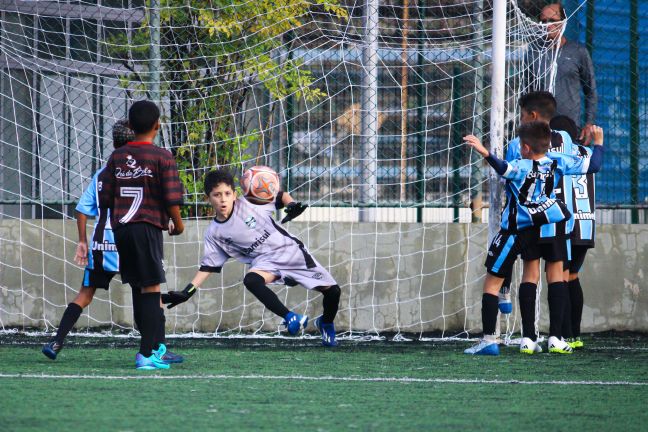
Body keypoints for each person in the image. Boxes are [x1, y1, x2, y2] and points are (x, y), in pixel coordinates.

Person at [42, 121, 182, 363]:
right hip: (131, 238)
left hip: (101, 243)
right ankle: (157, 348)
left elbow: (82, 209)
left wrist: (83, 241)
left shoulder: (102, 173)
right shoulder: (139, 170)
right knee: (149, 292)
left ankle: (57, 341)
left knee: (85, 294)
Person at [463, 120, 604, 356]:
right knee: (556, 275)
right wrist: (598, 144)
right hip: (553, 222)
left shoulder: (520, 166)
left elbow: (501, 168)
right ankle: (556, 338)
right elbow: (595, 165)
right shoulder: (559, 162)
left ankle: (496, 339)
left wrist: (484, 151)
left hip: (519, 228)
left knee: (495, 280)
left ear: (526, 148)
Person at [161, 169, 341, 347]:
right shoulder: (214, 233)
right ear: (208, 199)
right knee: (251, 280)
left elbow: (280, 196)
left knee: (333, 292)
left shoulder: (250, 203)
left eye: (227, 193)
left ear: (234, 195)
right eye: (217, 195)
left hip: (291, 253)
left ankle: (325, 323)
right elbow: (208, 267)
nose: (223, 199)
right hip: (265, 262)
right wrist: (187, 292)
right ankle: (290, 317)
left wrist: (291, 204)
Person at [99, 101, 185, 370]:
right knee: (151, 288)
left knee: (139, 286)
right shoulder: (162, 156)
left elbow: (105, 196)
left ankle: (151, 348)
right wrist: (178, 224)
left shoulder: (116, 157)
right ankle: (147, 354)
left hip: (121, 229)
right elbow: (171, 197)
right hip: (146, 228)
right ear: (157, 126)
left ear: (131, 126)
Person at [550, 114, 595, 349]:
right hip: (586, 223)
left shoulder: (558, 154)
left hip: (566, 223)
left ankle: (564, 334)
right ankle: (574, 335)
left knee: (561, 277)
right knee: (573, 277)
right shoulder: (586, 154)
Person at [538, 3, 598, 145]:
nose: (548, 25)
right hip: (540, 132)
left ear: (563, 21)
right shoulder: (533, 53)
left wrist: (589, 123)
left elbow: (591, 91)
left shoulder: (578, 52)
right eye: (543, 21)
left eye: (552, 20)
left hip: (570, 131)